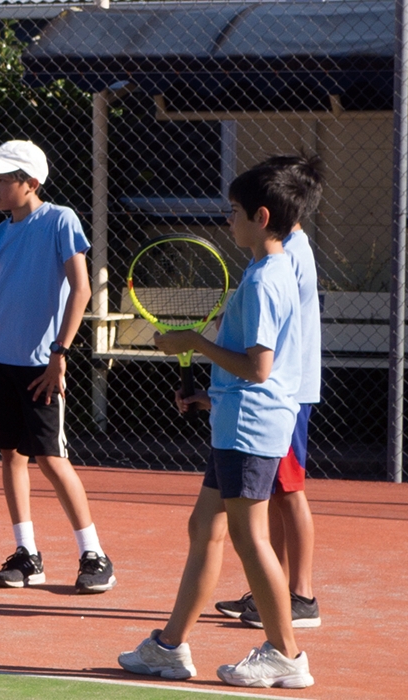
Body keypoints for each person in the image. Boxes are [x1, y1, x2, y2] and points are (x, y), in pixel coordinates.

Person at [119, 158, 314, 689]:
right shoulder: (263, 273)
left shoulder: (264, 282)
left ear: (262, 215)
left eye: (233, 212)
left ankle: (285, 655)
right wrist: (211, 396)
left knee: (251, 540)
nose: (227, 221)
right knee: (204, 528)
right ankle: (169, 647)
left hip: (251, 429)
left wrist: (192, 344)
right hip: (237, 420)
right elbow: (256, 369)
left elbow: (259, 367)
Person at [0, 140, 116, 594]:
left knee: (51, 458)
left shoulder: (60, 220)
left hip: (42, 365)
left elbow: (81, 289)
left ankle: (94, 555)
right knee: (10, 455)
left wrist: (59, 354)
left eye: (4, 180)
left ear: (32, 183)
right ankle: (28, 556)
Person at [214, 155, 326, 631]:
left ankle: (298, 595)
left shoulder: (284, 256)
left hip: (283, 394)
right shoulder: (277, 250)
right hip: (276, 391)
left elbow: (268, 351)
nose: (230, 216)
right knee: (274, 493)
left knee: (287, 490)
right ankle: (273, 589)